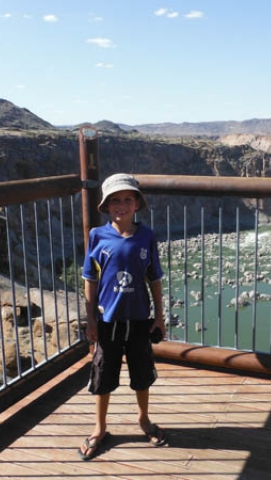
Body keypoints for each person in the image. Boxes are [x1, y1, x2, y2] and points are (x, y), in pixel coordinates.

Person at [78, 173, 167, 461]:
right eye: (115, 200)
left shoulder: (146, 236)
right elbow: (90, 278)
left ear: (137, 204)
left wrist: (160, 315)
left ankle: (144, 419)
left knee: (142, 373)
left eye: (127, 199)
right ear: (106, 206)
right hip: (108, 320)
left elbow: (154, 276)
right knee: (103, 373)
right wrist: (91, 319)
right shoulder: (97, 236)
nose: (121, 205)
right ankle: (100, 427)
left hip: (140, 318)